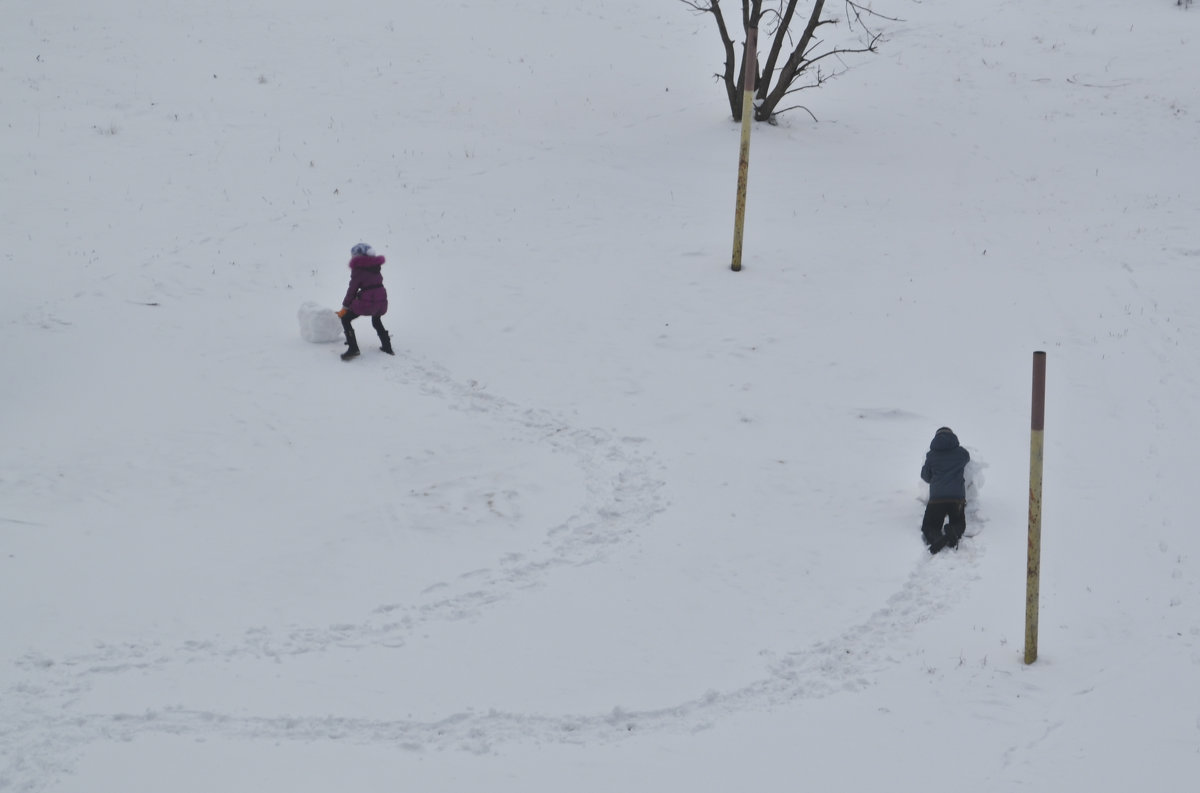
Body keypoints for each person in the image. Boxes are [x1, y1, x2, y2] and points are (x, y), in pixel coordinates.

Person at [337, 243, 393, 361]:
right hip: (381, 300)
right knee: (376, 320)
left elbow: (352, 290)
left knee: (346, 319)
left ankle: (353, 348)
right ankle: (387, 347)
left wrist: (345, 306)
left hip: (369, 302)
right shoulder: (375, 267)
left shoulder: (359, 270)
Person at [920, 426, 970, 554]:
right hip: (957, 498)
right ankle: (952, 531)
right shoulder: (961, 453)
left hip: (937, 499)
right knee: (959, 523)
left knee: (930, 526)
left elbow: (925, 476)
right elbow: (967, 458)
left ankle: (936, 538)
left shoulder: (931, 456)